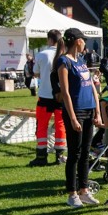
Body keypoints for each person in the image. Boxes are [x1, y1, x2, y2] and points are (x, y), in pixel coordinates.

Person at [55, 28, 101, 208]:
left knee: (85, 153)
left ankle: (84, 190)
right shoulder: (63, 61)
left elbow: (92, 88)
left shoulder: (81, 61)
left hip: (89, 111)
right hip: (76, 112)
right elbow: (65, 93)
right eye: (83, 40)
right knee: (74, 153)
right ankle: (71, 193)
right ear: (76, 41)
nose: (85, 43)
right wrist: (73, 118)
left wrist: (97, 112)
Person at [30, 29, 67, 166]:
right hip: (60, 97)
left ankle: (41, 156)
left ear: (49, 40)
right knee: (60, 125)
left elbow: (36, 73)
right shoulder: (64, 55)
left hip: (45, 96)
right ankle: (60, 155)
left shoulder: (41, 55)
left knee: (42, 126)